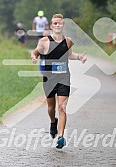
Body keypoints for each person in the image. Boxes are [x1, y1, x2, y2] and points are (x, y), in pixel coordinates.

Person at [31, 13, 87, 149]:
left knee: (62, 107)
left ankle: (61, 137)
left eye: (59, 23)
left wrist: (79, 57)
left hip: (64, 77)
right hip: (49, 78)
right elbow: (35, 53)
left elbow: (69, 55)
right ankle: (52, 122)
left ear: (63, 25)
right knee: (51, 107)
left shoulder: (67, 41)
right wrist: (33, 57)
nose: (57, 25)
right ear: (51, 25)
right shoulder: (44, 41)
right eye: (55, 23)